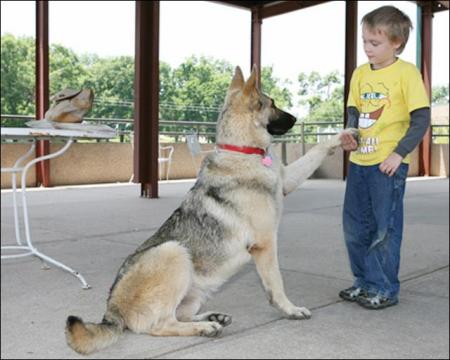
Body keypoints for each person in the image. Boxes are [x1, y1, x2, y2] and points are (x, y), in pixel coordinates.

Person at [338, 5, 430, 310]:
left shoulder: (407, 73)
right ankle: (362, 282)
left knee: (383, 229)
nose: (367, 49)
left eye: (374, 43)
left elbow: (420, 119)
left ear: (396, 43)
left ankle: (384, 288)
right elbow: (354, 111)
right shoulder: (360, 73)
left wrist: (398, 154)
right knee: (354, 227)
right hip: (359, 164)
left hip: (387, 166)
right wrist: (350, 133)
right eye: (364, 41)